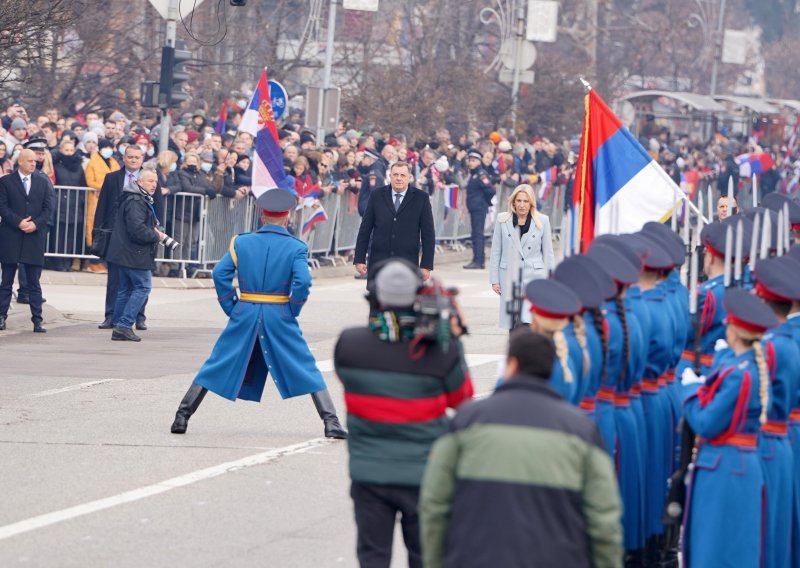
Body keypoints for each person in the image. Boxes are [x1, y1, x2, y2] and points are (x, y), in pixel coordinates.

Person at [420, 327, 623, 568]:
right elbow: (603, 521)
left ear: (512, 365)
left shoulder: (466, 422)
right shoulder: (580, 431)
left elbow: (435, 504)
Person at [169, 189, 347, 439]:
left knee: (218, 361)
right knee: (304, 364)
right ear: (287, 218)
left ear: (262, 217)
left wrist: (233, 306)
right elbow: (303, 282)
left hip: (247, 309)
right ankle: (331, 422)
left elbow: (220, 274)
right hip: (278, 311)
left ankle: (182, 415)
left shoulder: (241, 242)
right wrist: (292, 308)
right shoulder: (296, 247)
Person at [335, 259, 473, 568]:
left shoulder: (350, 344)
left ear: (376, 297)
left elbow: (347, 379)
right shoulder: (440, 350)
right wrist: (454, 337)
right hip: (424, 473)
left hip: (369, 473)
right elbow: (461, 398)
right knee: (424, 557)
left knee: (373, 556)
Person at [680, 288, 776, 567]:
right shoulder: (747, 366)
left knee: (716, 550)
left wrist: (690, 391)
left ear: (733, 331)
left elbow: (706, 423)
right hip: (734, 465)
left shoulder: (739, 375)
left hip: (725, 468)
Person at [95, 145, 164, 330]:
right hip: (116, 235)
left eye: (137, 157)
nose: (133, 160)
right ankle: (112, 317)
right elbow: (102, 205)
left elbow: (158, 207)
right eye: (130, 157)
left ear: (142, 159)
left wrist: (158, 230)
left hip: (141, 236)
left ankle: (139, 317)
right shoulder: (112, 178)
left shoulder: (150, 179)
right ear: (124, 158)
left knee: (138, 282)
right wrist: (97, 231)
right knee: (117, 280)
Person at [105, 169, 164, 342]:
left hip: (126, 252)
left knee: (126, 289)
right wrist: (157, 236)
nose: (154, 184)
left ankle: (118, 325)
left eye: (155, 181)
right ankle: (123, 325)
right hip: (134, 254)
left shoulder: (135, 197)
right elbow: (137, 230)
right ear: (140, 182)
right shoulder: (136, 200)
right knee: (143, 287)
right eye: (150, 181)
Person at [0, 149, 54, 333]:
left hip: (33, 237)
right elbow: (2, 207)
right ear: (20, 162)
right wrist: (18, 222)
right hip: (11, 236)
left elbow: (48, 208)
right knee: (6, 280)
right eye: (30, 161)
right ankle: (1, 316)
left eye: (35, 161)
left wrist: (36, 224)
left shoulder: (43, 182)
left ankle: (37, 319)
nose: (34, 163)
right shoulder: (6, 182)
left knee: (34, 283)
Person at [354, 161, 435, 282]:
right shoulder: (376, 195)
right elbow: (365, 229)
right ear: (390, 176)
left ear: (410, 178)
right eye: (395, 175)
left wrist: (426, 266)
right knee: (379, 300)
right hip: (379, 262)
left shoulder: (421, 198)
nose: (398, 178)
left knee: (404, 300)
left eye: (403, 175)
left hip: (407, 263)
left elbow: (428, 234)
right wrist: (359, 259)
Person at [489, 183, 554, 330]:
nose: (522, 205)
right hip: (509, 276)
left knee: (529, 320)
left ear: (531, 202)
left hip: (534, 276)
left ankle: (526, 350)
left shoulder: (542, 221)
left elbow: (548, 253)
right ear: (513, 202)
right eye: (519, 201)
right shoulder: (502, 220)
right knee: (513, 320)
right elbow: (496, 251)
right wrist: (494, 279)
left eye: (525, 201)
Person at [463, 149, 497, 269]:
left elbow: (491, 190)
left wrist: (483, 201)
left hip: (479, 208)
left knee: (477, 234)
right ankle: (477, 259)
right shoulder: (474, 175)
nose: (471, 163)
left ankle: (478, 261)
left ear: (478, 161)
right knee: (476, 234)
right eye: (470, 160)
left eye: (473, 161)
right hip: (475, 208)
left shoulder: (481, 174)